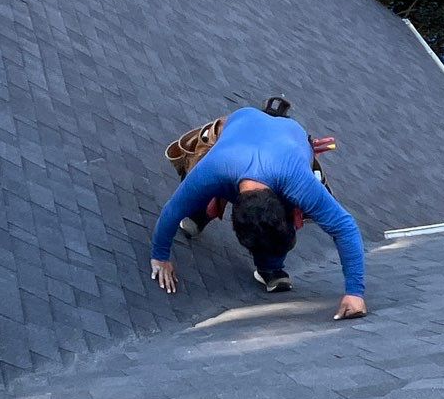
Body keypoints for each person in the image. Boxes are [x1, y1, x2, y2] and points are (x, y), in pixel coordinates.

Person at [150, 105, 367, 319]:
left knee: (267, 234)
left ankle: (269, 267)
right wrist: (159, 257)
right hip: (241, 127)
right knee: (196, 193)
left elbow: (344, 227)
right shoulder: (213, 168)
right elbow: (173, 209)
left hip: (287, 137)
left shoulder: (298, 182)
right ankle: (202, 212)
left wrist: (355, 293)